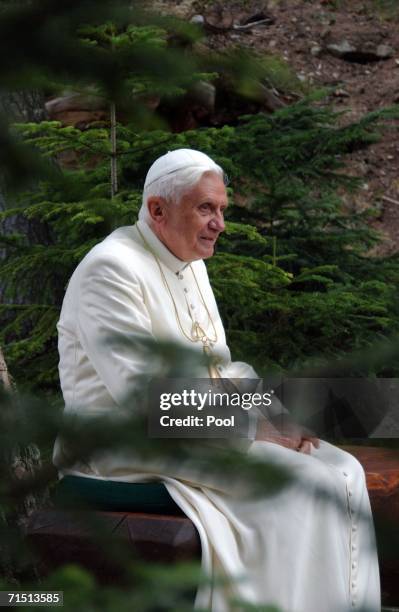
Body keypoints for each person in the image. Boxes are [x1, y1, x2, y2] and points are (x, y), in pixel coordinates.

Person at [53, 149, 380, 611]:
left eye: (222, 210)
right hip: (123, 445)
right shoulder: (110, 269)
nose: (220, 223)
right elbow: (144, 397)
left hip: (200, 430)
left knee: (344, 469)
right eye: (206, 208)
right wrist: (253, 430)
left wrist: (276, 411)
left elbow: (220, 369)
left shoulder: (191, 264)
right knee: (304, 484)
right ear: (157, 210)